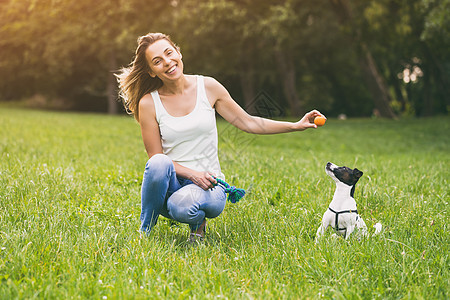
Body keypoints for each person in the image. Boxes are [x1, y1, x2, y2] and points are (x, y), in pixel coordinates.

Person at [116, 32, 326, 243]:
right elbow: (155, 157)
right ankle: (144, 233)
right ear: (151, 72)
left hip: (209, 186)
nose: (168, 62)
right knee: (158, 163)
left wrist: (296, 125)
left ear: (178, 52)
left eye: (169, 53)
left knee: (181, 205)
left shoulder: (208, 87)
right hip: (171, 186)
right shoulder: (148, 103)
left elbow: (248, 122)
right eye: (157, 61)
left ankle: (197, 228)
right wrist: (192, 174)